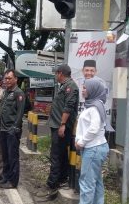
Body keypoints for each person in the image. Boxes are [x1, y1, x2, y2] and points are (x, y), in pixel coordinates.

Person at [44, 64, 79, 199]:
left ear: (60, 73)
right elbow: (61, 105)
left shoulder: (71, 86)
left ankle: (52, 185)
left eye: (56, 73)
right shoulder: (64, 86)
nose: (55, 76)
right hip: (57, 125)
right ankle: (61, 179)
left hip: (61, 126)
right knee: (62, 154)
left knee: (56, 155)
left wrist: (63, 124)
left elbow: (68, 107)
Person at [75, 78, 109, 204]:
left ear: (92, 90)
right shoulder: (93, 104)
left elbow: (94, 128)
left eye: (85, 88)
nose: (83, 90)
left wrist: (81, 142)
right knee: (96, 182)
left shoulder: (94, 107)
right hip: (95, 148)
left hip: (93, 148)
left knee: (86, 183)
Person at [0, 69, 25, 189]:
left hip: (12, 130)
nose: (6, 80)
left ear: (15, 79)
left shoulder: (19, 93)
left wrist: (15, 127)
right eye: (5, 78)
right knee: (5, 155)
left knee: (12, 156)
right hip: (3, 128)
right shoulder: (7, 92)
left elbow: (20, 112)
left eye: (9, 78)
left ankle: (13, 181)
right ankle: (6, 177)